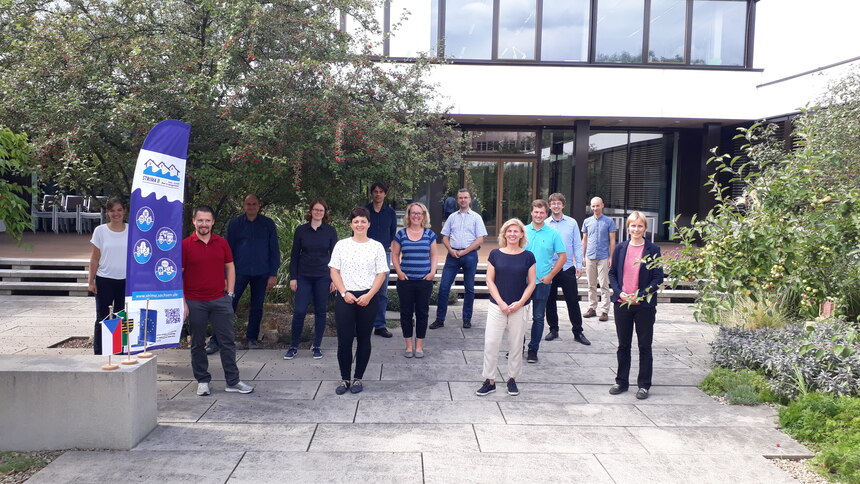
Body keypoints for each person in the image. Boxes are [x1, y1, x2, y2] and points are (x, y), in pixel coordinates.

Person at [182, 206, 254, 396]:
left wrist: (230, 294)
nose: (204, 224)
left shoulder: (221, 243)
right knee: (197, 343)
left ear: (213, 222)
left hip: (220, 300)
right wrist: (182, 301)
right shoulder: (185, 245)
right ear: (194, 222)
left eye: (207, 220)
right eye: (200, 220)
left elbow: (230, 267)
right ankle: (203, 380)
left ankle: (233, 381)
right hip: (194, 301)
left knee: (227, 342)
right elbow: (177, 275)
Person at [329, 207, 389, 395]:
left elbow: (381, 273)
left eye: (363, 221)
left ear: (369, 224)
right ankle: (345, 378)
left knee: (364, 339)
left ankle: (358, 378)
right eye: (356, 221)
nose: (360, 224)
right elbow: (334, 271)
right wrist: (344, 292)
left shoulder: (376, 246)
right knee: (344, 340)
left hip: (368, 297)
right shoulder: (341, 245)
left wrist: (370, 295)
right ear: (351, 224)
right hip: (346, 297)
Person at [475, 218, 536, 397]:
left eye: (516, 231)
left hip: (520, 306)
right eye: (509, 231)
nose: (512, 234)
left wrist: (520, 303)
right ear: (504, 234)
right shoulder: (495, 254)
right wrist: (501, 302)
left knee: (516, 345)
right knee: (491, 343)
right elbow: (489, 280)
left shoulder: (528, 256)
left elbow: (532, 282)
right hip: (497, 306)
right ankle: (489, 380)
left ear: (522, 234)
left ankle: (512, 379)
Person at [211, 194, 280, 352]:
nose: (251, 207)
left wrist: (272, 274)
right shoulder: (235, 224)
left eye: (254, 204)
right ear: (244, 206)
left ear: (259, 205)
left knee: (257, 307)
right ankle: (217, 340)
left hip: (261, 272)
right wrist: (226, 275)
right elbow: (227, 250)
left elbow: (274, 249)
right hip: (238, 272)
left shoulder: (267, 224)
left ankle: (252, 339)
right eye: (248, 204)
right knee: (228, 305)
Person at [608, 212, 664, 400]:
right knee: (623, 345)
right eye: (633, 226)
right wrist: (618, 292)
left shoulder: (653, 249)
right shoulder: (620, 248)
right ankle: (621, 381)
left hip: (644, 306)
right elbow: (613, 273)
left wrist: (640, 294)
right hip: (622, 304)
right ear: (628, 227)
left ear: (645, 228)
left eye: (640, 226)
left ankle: (644, 385)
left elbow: (658, 278)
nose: (636, 229)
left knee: (644, 345)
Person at [284, 199, 338, 360]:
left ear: (325, 213)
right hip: (303, 276)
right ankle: (293, 346)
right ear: (311, 211)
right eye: (316, 210)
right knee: (299, 311)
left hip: (323, 276)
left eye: (321, 210)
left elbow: (336, 257)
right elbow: (294, 255)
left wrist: (335, 280)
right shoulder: (301, 230)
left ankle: (317, 346)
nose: (318, 212)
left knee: (320, 312)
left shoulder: (330, 231)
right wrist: (293, 278)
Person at [430, 188, 487, 329]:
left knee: (469, 289)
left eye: (465, 197)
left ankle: (467, 319)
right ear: (457, 200)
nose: (463, 200)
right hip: (452, 256)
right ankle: (439, 319)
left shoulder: (476, 217)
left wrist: (464, 251)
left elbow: (480, 239)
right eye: (460, 198)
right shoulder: (452, 217)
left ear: (470, 199)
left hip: (470, 255)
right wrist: (451, 250)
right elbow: (444, 237)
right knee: (443, 287)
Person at [391, 202, 438, 358]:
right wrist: (398, 272)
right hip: (405, 281)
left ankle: (419, 347)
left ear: (424, 216)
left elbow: (434, 255)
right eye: (413, 213)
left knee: (422, 313)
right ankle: (408, 346)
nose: (416, 216)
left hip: (424, 281)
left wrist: (432, 272)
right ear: (408, 215)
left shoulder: (430, 234)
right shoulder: (401, 234)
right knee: (406, 314)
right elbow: (395, 255)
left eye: (419, 213)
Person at [524, 199, 566, 364]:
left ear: (546, 214)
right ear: (532, 212)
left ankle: (533, 349)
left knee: (538, 317)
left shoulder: (553, 234)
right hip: (522, 282)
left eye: (542, 212)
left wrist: (551, 276)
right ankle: (516, 347)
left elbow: (563, 257)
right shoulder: (523, 231)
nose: (539, 215)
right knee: (518, 317)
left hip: (542, 282)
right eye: (536, 212)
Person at [545, 193, 589, 345]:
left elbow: (577, 244)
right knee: (549, 301)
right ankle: (553, 329)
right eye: (553, 203)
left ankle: (578, 332)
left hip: (568, 267)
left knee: (572, 301)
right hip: (550, 268)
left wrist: (579, 265)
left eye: (558, 203)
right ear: (549, 206)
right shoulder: (545, 224)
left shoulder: (571, 223)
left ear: (563, 205)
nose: (556, 206)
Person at [87, 197, 127, 355]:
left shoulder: (132, 230)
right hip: (105, 279)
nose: (116, 214)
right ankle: (99, 351)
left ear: (124, 211)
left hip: (125, 280)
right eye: (112, 210)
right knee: (102, 317)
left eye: (119, 210)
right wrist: (91, 281)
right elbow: (95, 257)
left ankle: (118, 351)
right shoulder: (100, 231)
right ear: (107, 212)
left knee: (121, 317)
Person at [365, 182, 396, 338]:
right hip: (365, 253)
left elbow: (392, 233)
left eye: (381, 191)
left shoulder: (390, 213)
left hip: (384, 253)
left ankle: (380, 325)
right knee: (364, 289)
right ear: (372, 194)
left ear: (385, 194)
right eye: (375, 191)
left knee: (382, 291)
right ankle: (364, 324)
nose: (378, 194)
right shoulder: (365, 211)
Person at [582, 196, 617, 322]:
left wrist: (611, 257)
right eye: (593, 206)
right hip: (590, 256)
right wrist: (583, 256)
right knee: (591, 285)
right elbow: (584, 240)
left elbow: (612, 241)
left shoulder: (609, 222)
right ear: (590, 207)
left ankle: (604, 311)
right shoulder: (587, 222)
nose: (595, 208)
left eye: (597, 205)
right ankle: (592, 308)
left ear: (602, 205)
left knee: (604, 285)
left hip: (603, 257)